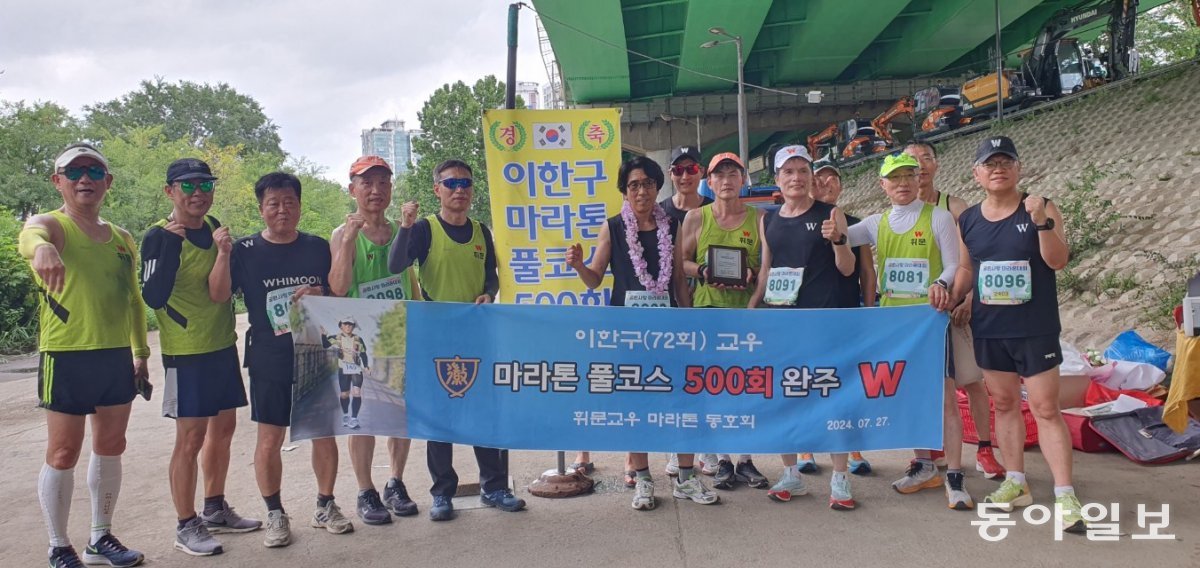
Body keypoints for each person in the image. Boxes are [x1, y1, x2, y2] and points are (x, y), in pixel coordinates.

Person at [565, 156, 719, 511]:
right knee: (637, 407)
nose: (641, 191)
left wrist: (690, 324)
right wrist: (578, 266)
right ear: (624, 191)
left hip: (669, 332)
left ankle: (685, 477)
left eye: (648, 183)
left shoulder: (673, 225)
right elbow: (594, 277)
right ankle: (644, 480)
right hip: (629, 335)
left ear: (657, 188)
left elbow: (679, 280)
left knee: (682, 402)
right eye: (633, 185)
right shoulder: (614, 228)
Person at [21, 143, 149, 568]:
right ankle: (59, 546)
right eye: (73, 171)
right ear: (57, 181)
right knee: (63, 452)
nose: (84, 179)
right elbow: (31, 232)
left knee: (111, 445)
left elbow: (133, 300)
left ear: (107, 182)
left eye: (94, 172)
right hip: (66, 353)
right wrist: (40, 248)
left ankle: (100, 538)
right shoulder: (54, 227)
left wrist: (141, 353)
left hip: (115, 355)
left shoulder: (122, 239)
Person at [209, 172, 351, 548]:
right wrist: (223, 253)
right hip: (269, 356)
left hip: (316, 351)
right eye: (273, 203)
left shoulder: (318, 247)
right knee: (270, 438)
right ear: (262, 208)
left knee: (323, 433)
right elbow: (220, 295)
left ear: (300, 206)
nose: (282, 210)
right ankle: (275, 512)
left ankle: (325, 504)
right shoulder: (245, 249)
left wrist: (320, 290)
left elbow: (338, 291)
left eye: (289, 202)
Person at [951, 136, 1085, 532]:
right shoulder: (969, 220)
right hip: (990, 328)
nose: (998, 168)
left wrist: (1041, 220)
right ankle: (1016, 482)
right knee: (1005, 404)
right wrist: (950, 295)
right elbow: (966, 269)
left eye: (1005, 161)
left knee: (1045, 408)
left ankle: (1064, 493)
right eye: (989, 163)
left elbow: (1058, 261)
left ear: (1018, 168)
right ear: (977, 174)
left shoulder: (1040, 207)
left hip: (1035, 327)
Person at [389, 159, 525, 521]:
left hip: (478, 334)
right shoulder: (423, 230)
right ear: (438, 189)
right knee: (440, 416)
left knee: (485, 412)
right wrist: (403, 226)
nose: (459, 190)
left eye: (465, 183)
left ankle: (494, 486)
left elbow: (491, 276)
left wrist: (488, 293)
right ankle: (442, 492)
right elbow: (395, 264)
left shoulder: (481, 230)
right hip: (437, 336)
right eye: (451, 184)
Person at [139, 158, 260, 556]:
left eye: (205, 185)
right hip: (185, 353)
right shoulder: (158, 236)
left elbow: (224, 289)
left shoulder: (213, 227)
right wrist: (172, 247)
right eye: (187, 186)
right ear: (169, 191)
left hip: (221, 344)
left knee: (223, 431)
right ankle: (185, 523)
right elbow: (153, 297)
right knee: (189, 439)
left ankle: (214, 508)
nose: (197, 193)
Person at [844, 153, 968, 509]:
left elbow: (953, 263)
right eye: (893, 178)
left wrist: (942, 283)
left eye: (908, 177)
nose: (902, 184)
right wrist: (829, 224)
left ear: (920, 180)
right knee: (909, 396)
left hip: (927, 321)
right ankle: (925, 464)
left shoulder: (939, 217)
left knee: (944, 397)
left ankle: (956, 476)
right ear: (882, 185)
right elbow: (840, 235)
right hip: (892, 323)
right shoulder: (876, 222)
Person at [749, 146, 857, 509]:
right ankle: (791, 474)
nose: (796, 177)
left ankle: (840, 478)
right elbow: (767, 269)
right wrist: (753, 307)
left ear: (812, 176)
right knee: (784, 398)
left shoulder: (830, 213)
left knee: (831, 398)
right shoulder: (768, 219)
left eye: (802, 170)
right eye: (788, 172)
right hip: (782, 322)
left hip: (823, 320)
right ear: (777, 179)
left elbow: (846, 268)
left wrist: (838, 240)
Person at [327, 156, 420, 525]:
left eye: (383, 182)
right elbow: (336, 286)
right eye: (366, 183)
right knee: (362, 416)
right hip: (357, 340)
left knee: (400, 416)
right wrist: (349, 242)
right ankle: (366, 490)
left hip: (398, 333)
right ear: (352, 190)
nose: (376, 190)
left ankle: (395, 482)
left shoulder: (402, 231)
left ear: (391, 189)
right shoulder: (341, 233)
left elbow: (410, 282)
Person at [905, 142, 1005, 480]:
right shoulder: (899, 210)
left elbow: (979, 255)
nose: (919, 166)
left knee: (972, 379)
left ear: (936, 165)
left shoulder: (956, 207)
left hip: (955, 308)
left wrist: (969, 297)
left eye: (926, 159)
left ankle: (985, 449)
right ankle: (926, 454)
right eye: (912, 160)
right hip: (918, 316)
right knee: (923, 384)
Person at [677, 151, 769, 491]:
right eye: (720, 174)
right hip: (708, 312)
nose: (727, 180)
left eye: (733, 173)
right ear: (709, 181)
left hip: (745, 315)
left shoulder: (759, 218)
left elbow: (767, 268)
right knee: (712, 387)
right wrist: (703, 270)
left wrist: (752, 273)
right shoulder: (696, 218)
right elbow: (681, 263)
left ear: (743, 180)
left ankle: (745, 459)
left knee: (745, 387)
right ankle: (721, 461)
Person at [809, 157, 877, 477]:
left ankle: (853, 448)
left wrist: (868, 312)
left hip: (847, 314)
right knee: (808, 380)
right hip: (809, 317)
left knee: (847, 382)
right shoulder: (799, 220)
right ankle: (808, 446)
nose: (826, 184)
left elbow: (866, 271)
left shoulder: (855, 223)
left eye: (832, 178)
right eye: (819, 178)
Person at [658, 145, 718, 479]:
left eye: (690, 169)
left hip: (707, 308)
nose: (684, 176)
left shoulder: (714, 209)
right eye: (677, 170)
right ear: (670, 175)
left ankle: (706, 447)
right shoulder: (659, 212)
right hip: (669, 307)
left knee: (704, 380)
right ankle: (675, 447)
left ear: (702, 173)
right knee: (673, 381)